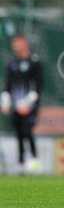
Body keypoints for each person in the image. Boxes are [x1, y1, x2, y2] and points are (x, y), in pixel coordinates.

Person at [0, 35, 43, 173]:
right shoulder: (11, 63)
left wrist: (26, 104)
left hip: (30, 105)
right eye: (14, 44)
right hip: (15, 105)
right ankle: (21, 161)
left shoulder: (35, 62)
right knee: (18, 133)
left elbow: (37, 87)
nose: (15, 46)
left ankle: (35, 160)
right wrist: (5, 102)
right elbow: (7, 86)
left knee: (27, 130)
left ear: (24, 43)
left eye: (17, 43)